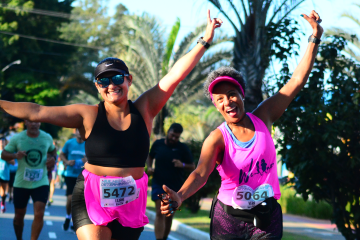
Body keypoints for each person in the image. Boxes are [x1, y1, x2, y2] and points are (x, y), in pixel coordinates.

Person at [0, 10, 222, 240]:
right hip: (91, 194)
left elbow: (176, 74)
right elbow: (37, 111)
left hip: (132, 198)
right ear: (97, 86)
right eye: (103, 81)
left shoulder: (145, 107)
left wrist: (204, 40)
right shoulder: (87, 114)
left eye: (117, 78)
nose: (111, 85)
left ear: (128, 80)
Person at [160, 10, 323, 240]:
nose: (228, 102)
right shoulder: (217, 138)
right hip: (229, 220)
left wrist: (315, 37)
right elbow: (200, 173)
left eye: (232, 94)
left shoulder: (265, 116)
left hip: (267, 217)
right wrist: (179, 196)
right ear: (216, 106)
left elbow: (296, 81)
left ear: (242, 94)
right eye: (220, 99)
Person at [1, 120, 56, 240]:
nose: (33, 124)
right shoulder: (18, 138)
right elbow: (4, 154)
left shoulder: (46, 137)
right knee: (19, 216)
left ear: (40, 123)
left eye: (36, 122)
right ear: (26, 122)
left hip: (41, 181)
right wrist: (15, 155)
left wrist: (52, 160)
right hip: (21, 183)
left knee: (39, 213)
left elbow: (53, 151)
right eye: (30, 122)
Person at [147, 123, 195, 240]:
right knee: (160, 211)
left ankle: (164, 237)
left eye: (176, 137)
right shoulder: (158, 144)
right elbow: (150, 156)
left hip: (175, 186)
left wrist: (182, 164)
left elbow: (192, 166)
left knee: (169, 215)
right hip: (159, 183)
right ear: (168, 132)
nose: (174, 138)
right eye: (172, 135)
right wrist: (149, 167)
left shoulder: (182, 148)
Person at [60, 129, 86, 231]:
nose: (80, 132)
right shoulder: (69, 143)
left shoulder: (88, 144)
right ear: (75, 132)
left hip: (83, 175)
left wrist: (87, 160)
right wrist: (67, 162)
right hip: (70, 174)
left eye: (82, 130)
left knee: (80, 200)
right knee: (70, 198)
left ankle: (75, 221)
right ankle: (68, 217)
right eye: (78, 130)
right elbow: (62, 154)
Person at [0, 138, 15, 213]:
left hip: (5, 174)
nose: (2, 143)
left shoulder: (8, 152)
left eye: (3, 142)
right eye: (0, 142)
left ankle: (3, 202)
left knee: (3, 191)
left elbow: (13, 162)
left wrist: (6, 159)